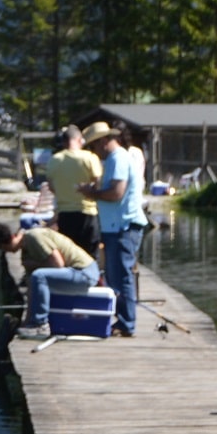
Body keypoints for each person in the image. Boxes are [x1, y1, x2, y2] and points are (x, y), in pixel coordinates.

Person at [78, 120, 148, 337]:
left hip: (123, 226)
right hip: (114, 226)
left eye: (95, 145)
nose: (94, 151)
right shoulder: (113, 160)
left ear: (105, 141)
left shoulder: (118, 158)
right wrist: (95, 190)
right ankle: (123, 320)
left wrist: (91, 194)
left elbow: (117, 193)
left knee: (123, 275)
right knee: (114, 276)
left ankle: (127, 323)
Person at [0, 221, 100, 337]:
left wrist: (33, 264)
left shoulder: (33, 237)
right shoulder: (25, 250)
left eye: (3, 248)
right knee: (35, 277)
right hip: (75, 274)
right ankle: (34, 323)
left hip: (84, 272)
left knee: (39, 276)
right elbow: (32, 287)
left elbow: (58, 264)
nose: (6, 251)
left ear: (4, 243)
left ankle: (41, 325)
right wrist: (26, 321)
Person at [41, 124, 103, 255]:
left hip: (65, 215)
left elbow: (52, 187)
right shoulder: (90, 157)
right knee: (90, 255)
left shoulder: (54, 160)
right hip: (87, 212)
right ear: (80, 140)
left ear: (64, 142)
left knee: (70, 255)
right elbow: (99, 184)